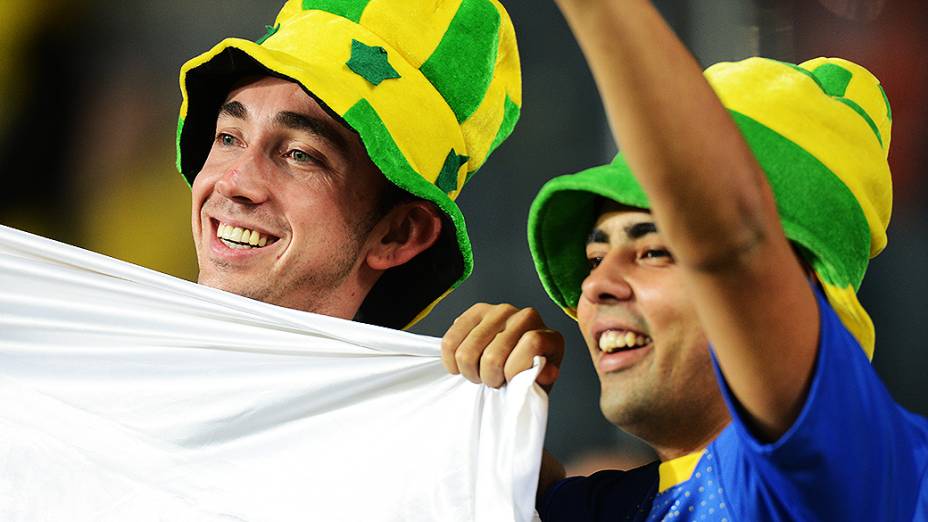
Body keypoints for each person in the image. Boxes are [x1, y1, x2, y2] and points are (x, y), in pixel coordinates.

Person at [443, 0, 928, 519]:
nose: (596, 285)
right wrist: (478, 425)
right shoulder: (601, 505)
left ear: (795, 287)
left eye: (655, 251)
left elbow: (732, 245)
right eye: (594, 256)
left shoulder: (853, 462)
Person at [175, 0, 547, 338]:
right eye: (228, 138)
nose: (233, 182)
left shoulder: (436, 411)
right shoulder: (118, 358)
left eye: (300, 155)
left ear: (398, 234)